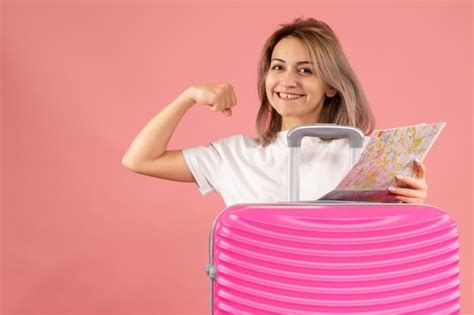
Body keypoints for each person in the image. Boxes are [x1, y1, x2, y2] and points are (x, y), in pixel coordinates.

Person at [122, 18, 428, 206]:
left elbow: (378, 243)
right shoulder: (234, 156)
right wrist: (187, 97)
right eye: (278, 67)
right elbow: (139, 159)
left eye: (306, 70)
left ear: (331, 85)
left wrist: (410, 202)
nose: (287, 81)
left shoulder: (361, 155)